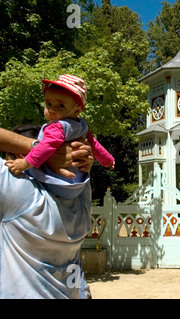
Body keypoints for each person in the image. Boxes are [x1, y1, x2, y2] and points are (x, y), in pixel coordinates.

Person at [0, 125, 94, 299]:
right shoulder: (81, 202)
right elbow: (81, 170)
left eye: (8, 157)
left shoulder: (21, 193)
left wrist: (37, 147)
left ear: (19, 156)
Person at [6, 74, 114, 199]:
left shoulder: (57, 127)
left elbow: (46, 146)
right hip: (76, 184)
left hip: (56, 181)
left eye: (60, 106)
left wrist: (25, 163)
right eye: (48, 103)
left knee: (18, 168)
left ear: (77, 110)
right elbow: (95, 145)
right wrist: (108, 160)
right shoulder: (81, 125)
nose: (51, 109)